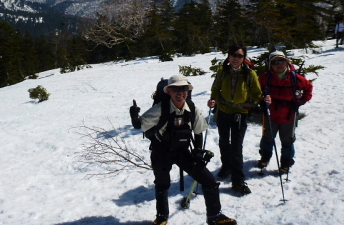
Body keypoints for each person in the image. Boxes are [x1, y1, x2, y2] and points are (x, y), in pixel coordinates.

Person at [130, 74, 237, 225]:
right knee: (162, 184)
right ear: (169, 91)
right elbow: (140, 125)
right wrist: (134, 116)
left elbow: (198, 130)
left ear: (188, 91)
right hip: (162, 151)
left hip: (182, 152)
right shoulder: (161, 109)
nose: (180, 92)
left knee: (209, 180)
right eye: (176, 89)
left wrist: (198, 150)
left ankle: (214, 216)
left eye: (184, 89)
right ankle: (161, 217)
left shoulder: (192, 108)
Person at [207, 45, 262, 196]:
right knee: (224, 142)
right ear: (228, 56)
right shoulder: (223, 71)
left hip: (240, 113)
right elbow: (215, 89)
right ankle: (226, 167)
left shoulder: (250, 74)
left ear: (244, 58)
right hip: (224, 111)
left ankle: (238, 180)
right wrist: (213, 100)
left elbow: (257, 93)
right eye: (233, 55)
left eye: (239, 56)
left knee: (236, 146)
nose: (236, 58)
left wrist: (263, 100)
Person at [257, 51, 313, 173]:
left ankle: (286, 163)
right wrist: (262, 99)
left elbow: (308, 87)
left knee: (287, 140)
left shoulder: (295, 78)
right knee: (267, 138)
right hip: (271, 113)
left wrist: (301, 101)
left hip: (289, 114)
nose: (279, 64)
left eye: (281, 61)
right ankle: (265, 158)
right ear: (271, 65)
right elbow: (257, 91)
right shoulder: (266, 77)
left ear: (286, 62)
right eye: (275, 62)